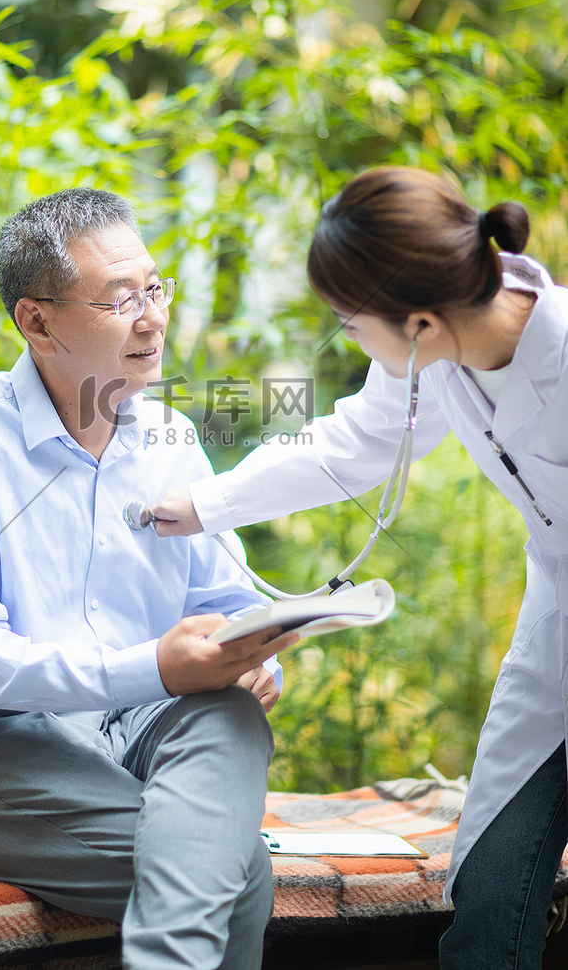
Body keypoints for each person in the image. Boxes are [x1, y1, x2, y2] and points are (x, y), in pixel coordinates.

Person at [152, 166, 568, 970]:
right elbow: (354, 445)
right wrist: (204, 503)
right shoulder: (437, 352)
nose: (346, 336)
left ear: (416, 320)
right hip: (555, 631)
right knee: (489, 891)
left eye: (349, 320)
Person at [0, 186, 297, 970]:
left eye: (154, 287)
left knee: (234, 717)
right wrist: (152, 665)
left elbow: (222, 598)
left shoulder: (170, 434)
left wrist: (255, 656)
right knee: (239, 876)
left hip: (146, 730)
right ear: (36, 322)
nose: (151, 317)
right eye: (120, 299)